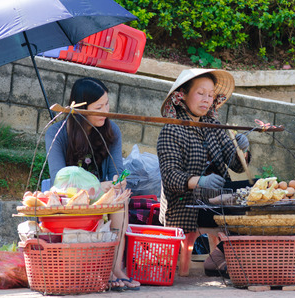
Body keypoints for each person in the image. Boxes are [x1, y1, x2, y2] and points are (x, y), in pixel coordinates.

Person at [45, 77, 140, 291]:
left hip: (103, 195)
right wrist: (97, 187)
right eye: (98, 107)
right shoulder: (57, 133)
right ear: (81, 108)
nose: (105, 111)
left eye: (107, 104)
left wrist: (117, 182)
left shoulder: (111, 130)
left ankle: (115, 267)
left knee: (120, 200)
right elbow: (57, 179)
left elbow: (116, 172)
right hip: (69, 199)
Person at [156, 68, 250, 277]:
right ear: (182, 95)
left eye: (210, 95)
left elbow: (235, 164)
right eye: (200, 93)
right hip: (187, 205)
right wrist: (201, 181)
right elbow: (170, 176)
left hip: (219, 198)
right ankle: (221, 258)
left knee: (258, 190)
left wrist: (241, 148)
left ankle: (222, 256)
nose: (206, 99)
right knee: (244, 202)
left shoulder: (213, 125)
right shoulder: (172, 129)